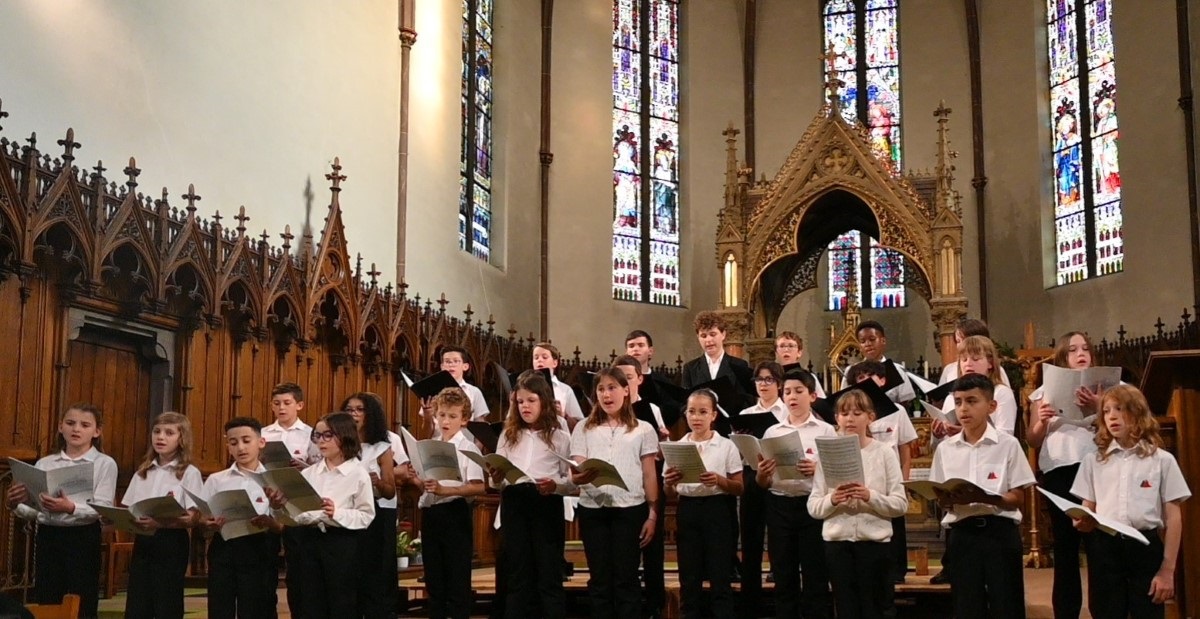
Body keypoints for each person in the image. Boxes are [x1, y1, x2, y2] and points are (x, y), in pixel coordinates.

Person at [1070, 385, 1190, 619]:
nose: (1112, 416)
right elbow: (1087, 508)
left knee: (1147, 612)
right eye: (1106, 411)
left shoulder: (1161, 460)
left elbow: (1174, 518)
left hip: (1144, 547)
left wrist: (1167, 569)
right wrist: (1082, 521)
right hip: (1106, 548)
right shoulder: (1094, 460)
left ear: (1137, 413)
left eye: (1119, 409)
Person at [930, 374, 1036, 619]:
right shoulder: (946, 449)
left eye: (971, 401)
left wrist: (985, 498)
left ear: (991, 406)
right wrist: (946, 499)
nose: (963, 409)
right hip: (962, 534)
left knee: (1006, 604)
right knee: (967, 605)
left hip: (999, 533)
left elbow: (1018, 497)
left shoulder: (1008, 445)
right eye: (958, 402)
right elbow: (941, 498)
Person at [5, 404, 117, 618]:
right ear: (60, 427)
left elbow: (102, 507)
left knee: (82, 597)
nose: (76, 429)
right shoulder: (46, 463)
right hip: (49, 535)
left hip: (82, 537)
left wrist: (71, 507)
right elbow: (34, 511)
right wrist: (15, 504)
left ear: (96, 431)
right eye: (70, 423)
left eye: (85, 425)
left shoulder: (104, 463)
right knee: (48, 596)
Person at [808, 389, 909, 619]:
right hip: (838, 545)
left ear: (870, 417)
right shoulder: (828, 454)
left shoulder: (884, 453)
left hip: (874, 545)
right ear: (836, 418)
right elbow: (813, 507)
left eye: (857, 413)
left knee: (877, 608)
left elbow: (900, 504)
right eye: (844, 414)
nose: (850, 419)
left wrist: (869, 496)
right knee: (846, 609)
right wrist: (833, 499)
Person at [570, 367, 660, 619]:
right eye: (601, 389)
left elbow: (649, 474)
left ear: (626, 391)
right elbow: (577, 467)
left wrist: (652, 514)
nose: (607, 395)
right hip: (593, 509)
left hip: (629, 509)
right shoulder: (583, 428)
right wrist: (577, 476)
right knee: (599, 579)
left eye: (612, 388)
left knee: (626, 578)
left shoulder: (643, 429)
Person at [269, 412, 375, 619]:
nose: (321, 441)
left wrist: (337, 513)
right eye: (317, 436)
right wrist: (279, 506)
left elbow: (366, 515)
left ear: (344, 436)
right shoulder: (309, 474)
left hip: (340, 543)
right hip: (308, 542)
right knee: (309, 602)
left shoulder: (357, 473)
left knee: (341, 603)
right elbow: (295, 515)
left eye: (328, 435)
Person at [1026, 332, 1100, 619]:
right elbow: (1032, 439)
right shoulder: (1045, 391)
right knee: (1065, 549)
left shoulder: (1109, 387)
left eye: (1085, 348)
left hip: (1097, 470)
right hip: (1060, 471)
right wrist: (1043, 421)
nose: (1081, 353)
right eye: (1072, 350)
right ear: (1062, 358)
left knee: (1098, 548)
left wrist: (1098, 406)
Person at [491, 371, 573, 619]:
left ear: (544, 402)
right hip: (515, 501)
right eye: (520, 402)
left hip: (545, 502)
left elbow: (570, 481)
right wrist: (495, 477)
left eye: (531, 401)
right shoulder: (508, 434)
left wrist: (555, 486)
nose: (525, 407)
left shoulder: (559, 436)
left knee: (548, 573)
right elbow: (499, 479)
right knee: (517, 573)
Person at [756, 370, 835, 619]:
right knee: (783, 576)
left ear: (812, 396)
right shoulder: (773, 432)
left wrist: (817, 470)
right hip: (779, 506)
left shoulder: (826, 431)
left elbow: (835, 477)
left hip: (812, 507)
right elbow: (763, 483)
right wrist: (762, 473)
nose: (792, 397)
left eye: (799, 391)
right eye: (787, 392)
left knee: (815, 576)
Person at [664, 389, 743, 619]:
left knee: (720, 577)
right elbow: (668, 491)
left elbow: (739, 487)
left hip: (717, 510)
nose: (696, 417)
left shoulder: (726, 445)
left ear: (713, 415)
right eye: (691, 412)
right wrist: (670, 482)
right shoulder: (677, 446)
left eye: (702, 412)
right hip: (687, 509)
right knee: (689, 578)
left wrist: (719, 480)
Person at [199, 417, 283, 619]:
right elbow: (203, 518)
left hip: (260, 547)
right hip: (224, 545)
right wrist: (208, 523)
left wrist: (270, 520)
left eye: (247, 440)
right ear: (227, 445)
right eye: (233, 442)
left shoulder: (275, 478)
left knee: (258, 606)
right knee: (220, 605)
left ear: (261, 443)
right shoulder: (217, 479)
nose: (241, 448)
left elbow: (283, 526)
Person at [121, 412, 203, 619]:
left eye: (169, 433)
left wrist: (161, 522)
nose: (160, 437)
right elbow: (128, 508)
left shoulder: (189, 472)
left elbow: (193, 518)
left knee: (167, 601)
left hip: (171, 542)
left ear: (181, 438)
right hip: (144, 540)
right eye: (157, 431)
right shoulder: (143, 472)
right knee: (138, 602)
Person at [417, 388, 486, 619]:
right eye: (442, 415)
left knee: (457, 580)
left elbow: (478, 486)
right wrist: (416, 479)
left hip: (455, 513)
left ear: (464, 419)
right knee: (434, 580)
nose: (446, 421)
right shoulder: (430, 444)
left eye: (453, 416)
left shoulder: (468, 448)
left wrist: (446, 489)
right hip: (431, 513)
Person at [846, 361, 917, 585]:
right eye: (861, 377)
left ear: (883, 380)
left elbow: (906, 447)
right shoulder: (852, 414)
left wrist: (904, 479)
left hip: (889, 475)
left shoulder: (898, 410)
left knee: (895, 525)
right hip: (860, 476)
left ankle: (897, 570)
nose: (867, 380)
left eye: (872, 376)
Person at [612, 354, 668, 617]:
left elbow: (661, 454)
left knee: (652, 545)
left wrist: (662, 443)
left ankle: (655, 603)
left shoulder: (651, 409)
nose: (624, 383)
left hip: (649, 477)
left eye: (629, 378)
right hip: (620, 486)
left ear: (639, 379)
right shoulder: (607, 407)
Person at [343, 392, 407, 619]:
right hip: (345, 513)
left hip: (375, 513)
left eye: (359, 410)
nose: (354, 414)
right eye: (350, 410)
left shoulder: (381, 446)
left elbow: (390, 489)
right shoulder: (340, 445)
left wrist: (377, 481)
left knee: (375, 571)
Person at [262, 382, 318, 614]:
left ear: (299, 405)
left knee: (298, 571)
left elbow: (319, 467)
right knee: (265, 568)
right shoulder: (263, 434)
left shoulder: (311, 434)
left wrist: (304, 466)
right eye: (277, 404)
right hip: (269, 502)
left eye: (287, 403)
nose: (281, 408)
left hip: (297, 506)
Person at [736, 361, 786, 616]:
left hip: (780, 477)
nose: (763, 384)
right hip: (751, 476)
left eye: (768, 380)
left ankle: (782, 601)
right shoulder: (746, 414)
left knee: (779, 542)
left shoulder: (787, 412)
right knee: (751, 540)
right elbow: (738, 451)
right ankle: (750, 605)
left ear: (779, 383)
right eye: (759, 380)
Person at [933, 336, 1018, 436]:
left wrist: (966, 433)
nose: (968, 364)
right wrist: (938, 435)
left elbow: (1006, 435)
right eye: (964, 359)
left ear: (990, 363)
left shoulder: (1001, 393)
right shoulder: (951, 398)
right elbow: (941, 446)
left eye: (976, 359)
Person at [681, 311, 753, 394]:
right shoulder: (690, 368)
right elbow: (685, 402)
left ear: (723, 334)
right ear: (698, 337)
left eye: (713, 334)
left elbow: (747, 401)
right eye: (703, 336)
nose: (708, 340)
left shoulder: (740, 365)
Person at [853, 321, 915, 404]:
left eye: (872, 339)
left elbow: (904, 402)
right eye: (862, 341)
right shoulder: (852, 371)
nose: (867, 344)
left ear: (883, 341)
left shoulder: (897, 370)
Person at [533, 342, 586, 430]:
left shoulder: (565, 390)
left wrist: (564, 416)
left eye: (544, 357)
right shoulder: (526, 388)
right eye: (536, 358)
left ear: (555, 363)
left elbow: (579, 425)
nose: (539, 360)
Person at [775, 332, 826, 398]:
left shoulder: (808, 377)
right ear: (776, 352)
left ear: (799, 352)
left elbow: (820, 402)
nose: (786, 349)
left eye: (791, 346)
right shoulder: (773, 377)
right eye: (782, 346)